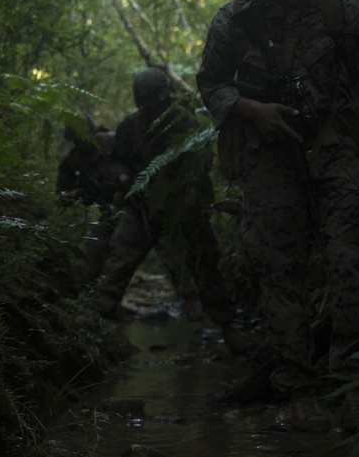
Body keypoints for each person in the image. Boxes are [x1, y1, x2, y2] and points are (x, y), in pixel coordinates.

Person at [196, 0, 359, 433]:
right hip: (268, 160)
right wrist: (250, 109)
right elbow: (210, 83)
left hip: (336, 150)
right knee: (278, 274)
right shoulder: (236, 20)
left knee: (351, 264)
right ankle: (300, 390)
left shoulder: (345, 12)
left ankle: (358, 387)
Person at [90, 67, 233, 326]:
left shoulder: (185, 122)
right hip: (141, 206)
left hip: (182, 208)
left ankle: (226, 327)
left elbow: (200, 163)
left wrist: (190, 189)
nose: (157, 108)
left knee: (206, 268)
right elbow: (117, 161)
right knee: (116, 267)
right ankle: (98, 329)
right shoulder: (130, 127)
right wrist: (126, 184)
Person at [55, 119, 118, 293]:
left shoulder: (111, 142)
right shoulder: (72, 163)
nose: (82, 142)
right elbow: (59, 197)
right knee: (95, 250)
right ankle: (90, 298)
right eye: (77, 139)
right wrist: (77, 194)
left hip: (134, 202)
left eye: (84, 137)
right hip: (109, 212)